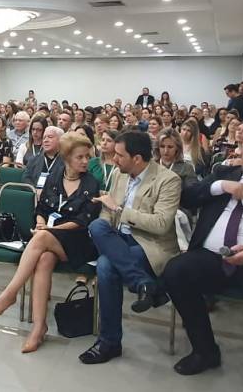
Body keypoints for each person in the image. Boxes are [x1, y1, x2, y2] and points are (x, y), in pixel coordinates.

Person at [163, 129, 243, 392]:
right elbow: (187, 197)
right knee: (176, 272)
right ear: (241, 150)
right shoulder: (225, 174)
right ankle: (205, 351)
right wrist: (221, 187)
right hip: (211, 256)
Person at [0, 133, 101, 353]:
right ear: (67, 158)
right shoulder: (54, 177)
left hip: (79, 242)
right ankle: (39, 328)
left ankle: (10, 294)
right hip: (52, 240)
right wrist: (41, 222)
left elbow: (82, 221)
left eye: (88, 156)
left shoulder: (91, 184)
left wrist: (48, 230)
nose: (86, 161)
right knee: (44, 261)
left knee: (40, 238)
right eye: (80, 157)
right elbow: (42, 209)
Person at [80, 131, 181, 364]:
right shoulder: (119, 174)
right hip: (117, 238)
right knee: (97, 225)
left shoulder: (168, 180)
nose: (114, 159)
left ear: (137, 158)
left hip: (148, 244)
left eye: (119, 155)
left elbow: (161, 223)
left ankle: (109, 342)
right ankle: (144, 284)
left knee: (106, 266)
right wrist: (110, 215)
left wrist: (119, 211)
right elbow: (106, 213)